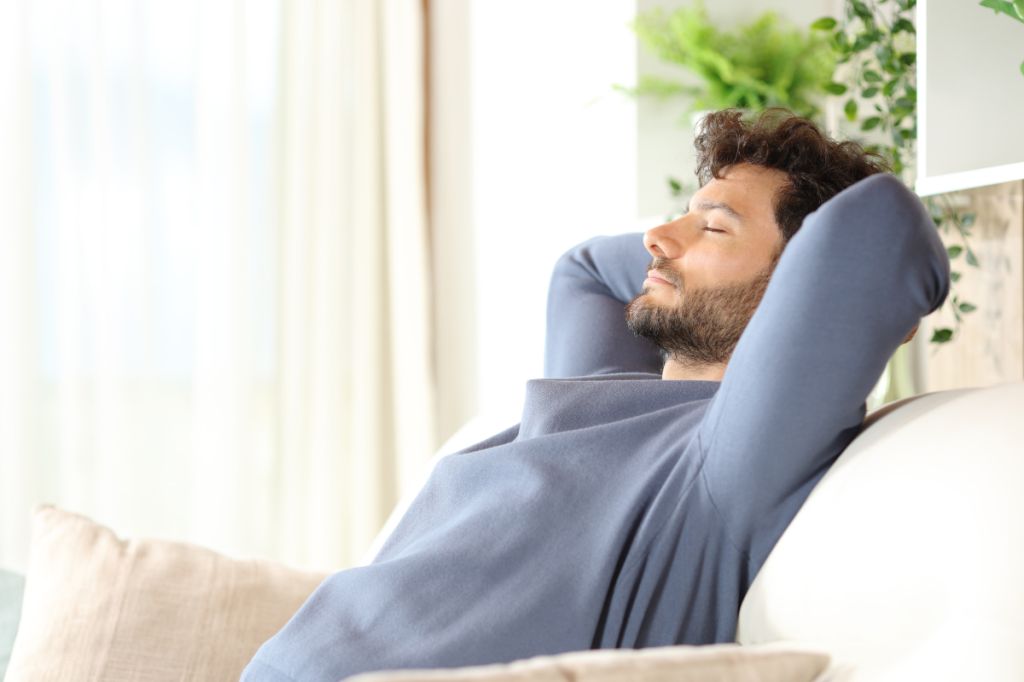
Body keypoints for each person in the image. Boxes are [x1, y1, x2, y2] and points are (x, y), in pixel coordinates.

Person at [242, 109, 949, 681]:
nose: (655, 238)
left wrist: (795, 292)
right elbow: (582, 269)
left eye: (712, 226)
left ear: (801, 290)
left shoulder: (725, 462)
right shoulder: (601, 390)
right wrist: (702, 235)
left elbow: (879, 227)